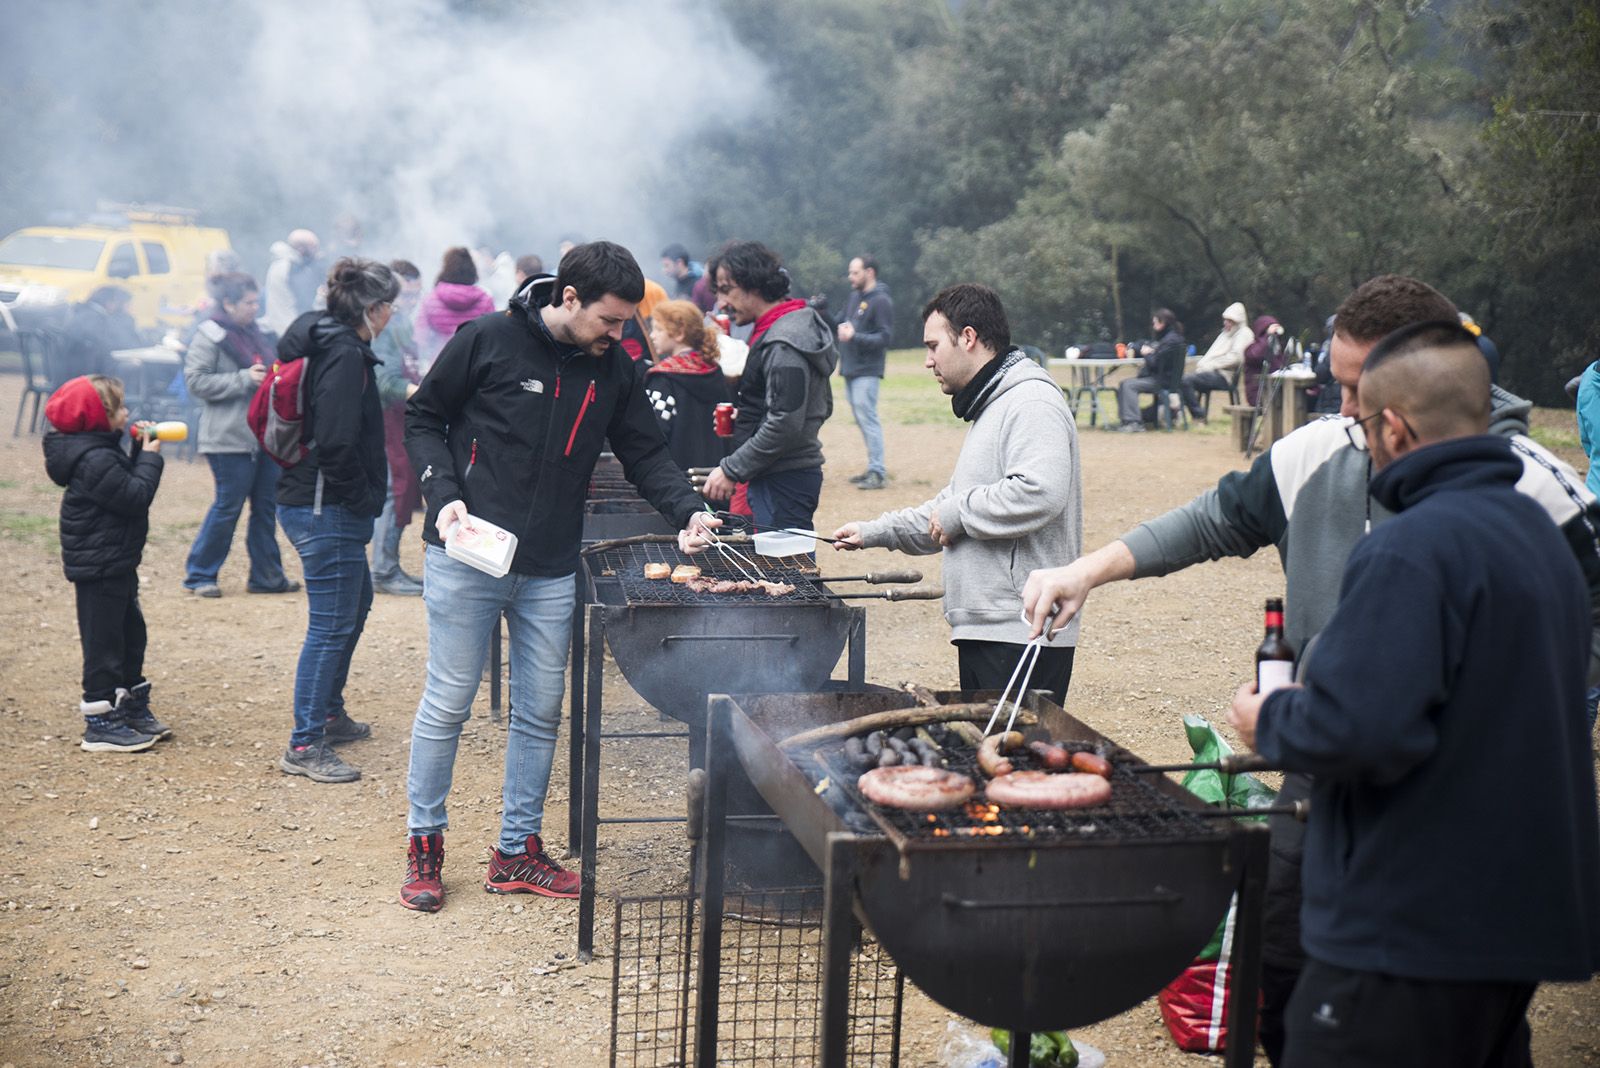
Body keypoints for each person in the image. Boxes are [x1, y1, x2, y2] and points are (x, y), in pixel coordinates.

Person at [1021, 274, 1600, 1065]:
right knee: (1297, 962)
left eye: (1360, 391)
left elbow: (1367, 728)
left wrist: (1275, 719)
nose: (1346, 410)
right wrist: (1087, 570)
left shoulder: (1466, 524)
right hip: (1431, 855)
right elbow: (1215, 518)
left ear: (1402, 404)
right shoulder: (1465, 501)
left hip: (1408, 866)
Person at [1227, 320, 1600, 1067]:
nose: (1360, 437)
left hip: (1408, 935)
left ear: (1393, 427)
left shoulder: (1410, 548)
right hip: (1509, 928)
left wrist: (1271, 716)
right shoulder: (1541, 539)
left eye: (1363, 420)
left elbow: (1359, 731)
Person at [399, 241, 719, 913]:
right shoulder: (488, 339)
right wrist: (441, 489)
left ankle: (516, 851)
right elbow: (425, 416)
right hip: (468, 552)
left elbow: (642, 449)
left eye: (629, 321)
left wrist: (687, 509)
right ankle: (424, 842)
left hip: (548, 565)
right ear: (567, 299)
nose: (621, 333)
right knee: (449, 701)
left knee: (541, 711)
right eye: (609, 320)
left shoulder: (613, 369)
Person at [833, 284, 1082, 701]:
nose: (928, 360)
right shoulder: (993, 405)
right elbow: (948, 508)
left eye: (933, 346)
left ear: (968, 338)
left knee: (1013, 761)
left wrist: (956, 515)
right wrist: (872, 531)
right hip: (993, 626)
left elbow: (1040, 492)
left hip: (1020, 628)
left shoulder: (1031, 401)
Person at [275, 258, 399, 785]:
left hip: (320, 503)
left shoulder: (330, 343)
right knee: (329, 625)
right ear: (372, 309)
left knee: (357, 602)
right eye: (390, 304)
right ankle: (305, 743)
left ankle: (328, 712)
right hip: (325, 507)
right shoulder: (344, 355)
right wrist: (364, 498)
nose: (393, 313)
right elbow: (338, 441)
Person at [42, 374, 169, 751]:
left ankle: (128, 704)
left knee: (130, 632)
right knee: (104, 643)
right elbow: (134, 495)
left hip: (114, 559)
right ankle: (100, 721)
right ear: (98, 417)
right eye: (119, 408)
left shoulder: (99, 448)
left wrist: (134, 449)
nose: (127, 411)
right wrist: (149, 458)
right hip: (99, 565)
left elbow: (120, 486)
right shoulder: (93, 457)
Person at [700, 241, 838, 533]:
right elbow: (799, 407)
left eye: (726, 289)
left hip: (784, 478)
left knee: (787, 573)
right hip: (780, 473)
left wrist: (731, 469)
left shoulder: (784, 340)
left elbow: (786, 422)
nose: (721, 303)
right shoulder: (781, 328)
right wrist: (750, 421)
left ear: (755, 284)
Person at [181, 271, 298, 598]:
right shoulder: (210, 335)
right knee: (228, 507)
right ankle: (200, 575)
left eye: (255, 301)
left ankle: (266, 576)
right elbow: (196, 383)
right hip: (228, 437)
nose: (254, 307)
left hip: (264, 437)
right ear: (228, 303)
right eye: (248, 302)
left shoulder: (260, 332)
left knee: (265, 507)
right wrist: (244, 378)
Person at [368, 259, 425, 596]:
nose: (412, 302)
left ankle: (388, 565)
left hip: (402, 418)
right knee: (394, 491)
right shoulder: (385, 327)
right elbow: (384, 380)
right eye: (407, 295)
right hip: (386, 419)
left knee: (402, 491)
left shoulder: (403, 324)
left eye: (417, 295)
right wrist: (418, 390)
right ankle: (384, 569)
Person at [645, 299, 733, 470]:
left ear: (679, 333)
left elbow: (655, 431)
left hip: (678, 476)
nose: (652, 335)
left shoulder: (663, 378)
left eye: (658, 329)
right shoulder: (714, 371)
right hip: (716, 473)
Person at [836, 255, 894, 490]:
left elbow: (885, 337)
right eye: (850, 272)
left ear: (869, 272)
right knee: (862, 419)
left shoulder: (881, 301)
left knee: (868, 419)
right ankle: (873, 467)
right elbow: (838, 322)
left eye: (855, 272)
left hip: (867, 371)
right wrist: (819, 310)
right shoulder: (854, 298)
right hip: (851, 369)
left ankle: (878, 472)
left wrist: (855, 337)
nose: (851, 277)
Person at [416, 246, 495, 373]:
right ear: (472, 270)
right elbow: (492, 337)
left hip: (439, 365)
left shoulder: (431, 299)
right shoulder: (485, 300)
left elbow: (421, 338)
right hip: (475, 367)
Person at [1113, 308, 1185, 431]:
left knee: (1127, 385)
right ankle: (1129, 419)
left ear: (1162, 323)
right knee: (1128, 384)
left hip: (1161, 381)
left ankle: (1133, 422)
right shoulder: (1175, 338)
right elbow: (1161, 358)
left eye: (1155, 322)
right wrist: (1154, 352)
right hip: (1170, 380)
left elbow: (1154, 364)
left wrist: (1146, 353)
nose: (1154, 326)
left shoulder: (1168, 340)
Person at [1180, 302, 1252, 421]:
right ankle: (1180, 412)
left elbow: (1236, 358)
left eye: (1229, 320)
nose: (1226, 323)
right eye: (1225, 320)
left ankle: (1198, 415)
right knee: (1184, 379)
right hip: (1213, 373)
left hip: (1224, 376)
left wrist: (1212, 365)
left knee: (1186, 380)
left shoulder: (1244, 334)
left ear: (1237, 321)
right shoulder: (1226, 334)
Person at [55, 286, 140, 385]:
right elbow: (108, 345)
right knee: (136, 368)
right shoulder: (96, 318)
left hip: (68, 370)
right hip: (87, 372)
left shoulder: (81, 313)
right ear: (108, 302)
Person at [262, 229, 323, 337]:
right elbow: (305, 300)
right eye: (313, 247)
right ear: (301, 248)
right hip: (290, 326)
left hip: (281, 325)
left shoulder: (279, 264)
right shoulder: (292, 267)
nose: (317, 252)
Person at [1241, 313, 1284, 407]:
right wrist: (1267, 336)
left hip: (1274, 391)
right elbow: (1256, 355)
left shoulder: (1277, 351)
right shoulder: (1251, 349)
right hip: (1257, 394)